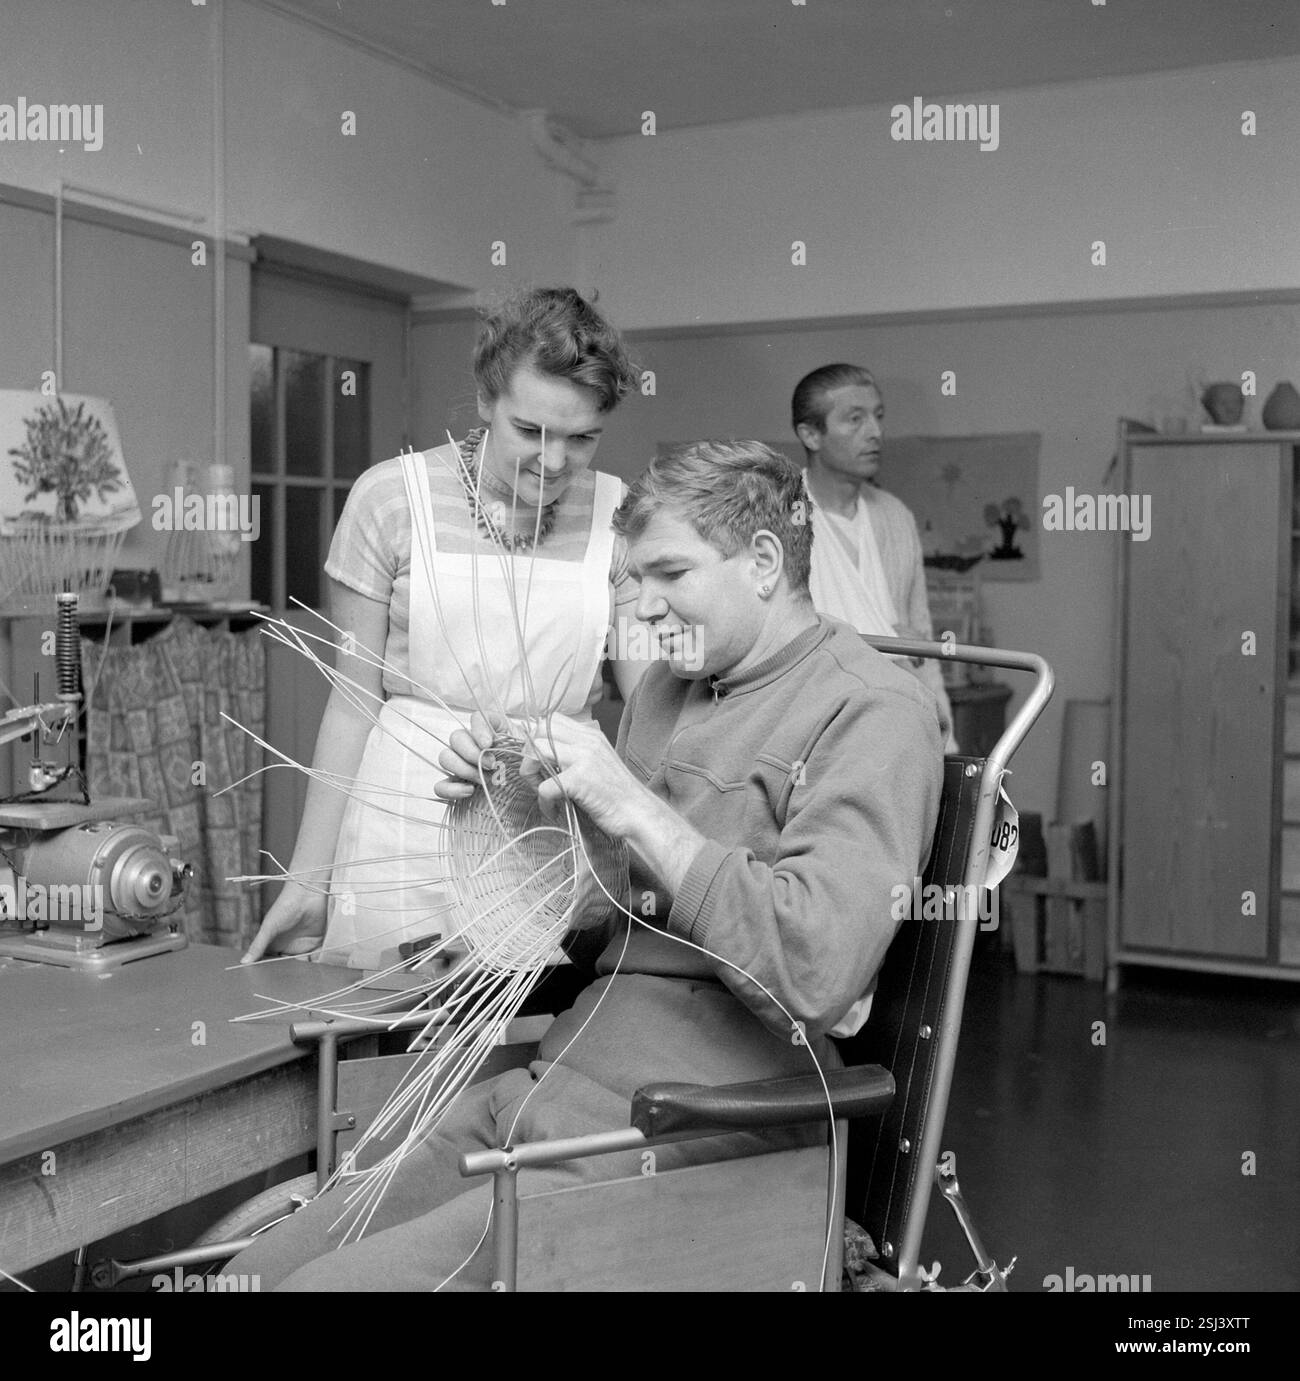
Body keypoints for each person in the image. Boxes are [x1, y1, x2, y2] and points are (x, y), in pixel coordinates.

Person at [229, 440, 944, 1291]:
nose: (641, 608)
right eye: (632, 579)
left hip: (693, 1119)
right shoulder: (667, 693)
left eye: (669, 573)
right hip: (557, 1082)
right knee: (255, 1272)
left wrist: (633, 803)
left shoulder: (873, 711)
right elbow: (614, 911)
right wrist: (519, 821)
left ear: (761, 562)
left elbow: (818, 966)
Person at [242, 286, 645, 970]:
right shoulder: (390, 499)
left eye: (582, 438)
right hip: (405, 819)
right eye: (531, 431)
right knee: (386, 1047)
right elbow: (351, 701)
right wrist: (308, 881)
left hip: (551, 826)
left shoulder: (621, 515)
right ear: (486, 401)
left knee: (529, 1042)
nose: (553, 464)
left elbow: (649, 710)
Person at [792, 363, 958, 751]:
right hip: (812, 734)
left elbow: (920, 639)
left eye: (878, 417)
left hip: (898, 722)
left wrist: (947, 743)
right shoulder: (780, 513)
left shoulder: (894, 516)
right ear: (811, 434)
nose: (876, 432)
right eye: (855, 419)